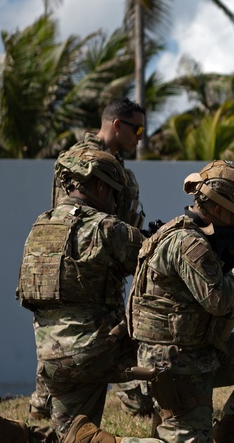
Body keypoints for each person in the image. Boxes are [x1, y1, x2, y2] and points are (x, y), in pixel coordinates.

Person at [54, 160, 234, 443]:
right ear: (220, 209)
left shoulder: (208, 237)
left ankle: (222, 439)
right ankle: (93, 441)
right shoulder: (188, 242)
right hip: (173, 364)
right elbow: (219, 299)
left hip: (198, 351)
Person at [0, 150, 146, 443]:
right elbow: (160, 267)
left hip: (52, 361)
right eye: (115, 194)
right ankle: (181, 431)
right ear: (102, 188)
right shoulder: (108, 228)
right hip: (97, 353)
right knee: (174, 348)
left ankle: (11, 435)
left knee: (70, 442)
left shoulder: (41, 224)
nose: (117, 202)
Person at [28, 97, 150, 421]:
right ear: (117, 125)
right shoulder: (79, 160)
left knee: (96, 334)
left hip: (111, 260)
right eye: (137, 128)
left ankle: (45, 409)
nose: (140, 136)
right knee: (79, 333)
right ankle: (44, 406)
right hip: (87, 265)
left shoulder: (119, 165)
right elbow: (69, 218)